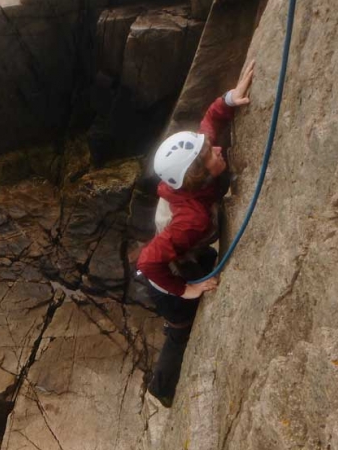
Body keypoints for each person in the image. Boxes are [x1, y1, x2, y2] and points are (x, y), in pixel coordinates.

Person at [137, 60, 255, 408]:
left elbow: (210, 123)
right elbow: (148, 262)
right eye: (208, 155)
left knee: (205, 261)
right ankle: (160, 389)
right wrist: (185, 290)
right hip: (166, 276)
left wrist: (229, 100)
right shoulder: (192, 220)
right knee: (181, 329)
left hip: (182, 255)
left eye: (209, 148)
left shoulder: (195, 174)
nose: (217, 150)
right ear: (196, 177)